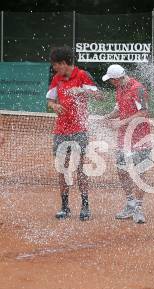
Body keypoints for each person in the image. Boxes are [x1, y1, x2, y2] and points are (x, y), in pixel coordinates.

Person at [47, 46, 101, 221]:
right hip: (60, 131)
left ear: (63, 63)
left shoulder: (83, 75)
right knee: (62, 169)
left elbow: (100, 96)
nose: (54, 68)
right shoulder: (57, 78)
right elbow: (50, 100)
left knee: (79, 170)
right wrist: (55, 106)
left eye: (55, 65)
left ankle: (85, 207)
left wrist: (82, 90)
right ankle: (64, 207)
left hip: (79, 130)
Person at [102, 64, 152, 224]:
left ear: (117, 79)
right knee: (122, 170)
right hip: (124, 138)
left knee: (139, 172)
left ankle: (138, 207)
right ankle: (130, 203)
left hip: (141, 137)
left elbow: (143, 112)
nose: (110, 83)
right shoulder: (120, 89)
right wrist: (108, 117)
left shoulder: (138, 89)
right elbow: (118, 108)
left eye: (111, 80)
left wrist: (121, 122)